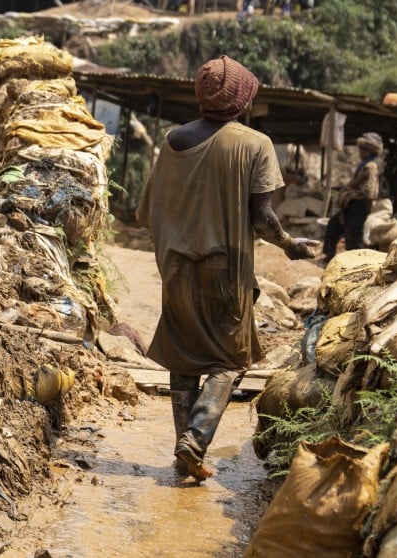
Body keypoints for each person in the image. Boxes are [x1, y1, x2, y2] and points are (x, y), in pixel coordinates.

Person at [136, 56, 319, 481]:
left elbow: (146, 211)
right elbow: (263, 218)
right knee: (229, 359)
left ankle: (186, 452)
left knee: (183, 358)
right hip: (225, 269)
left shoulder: (171, 140)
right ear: (242, 99)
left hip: (174, 266)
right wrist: (290, 245)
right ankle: (195, 441)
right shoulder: (255, 144)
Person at [321, 132, 383, 263]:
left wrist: (352, 195)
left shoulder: (370, 168)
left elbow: (371, 193)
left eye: (362, 149)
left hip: (360, 208)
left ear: (368, 150)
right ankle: (328, 255)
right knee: (334, 224)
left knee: (353, 237)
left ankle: (355, 264)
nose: (360, 151)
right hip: (352, 206)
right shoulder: (363, 166)